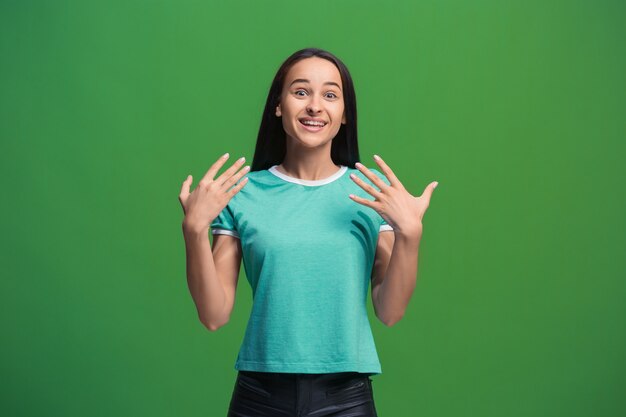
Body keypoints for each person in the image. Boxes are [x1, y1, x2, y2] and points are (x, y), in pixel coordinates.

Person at [178, 47, 438, 417]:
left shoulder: (371, 191)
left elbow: (390, 311)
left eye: (330, 95)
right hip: (260, 395)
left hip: (345, 396)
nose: (315, 106)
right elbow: (213, 314)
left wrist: (410, 235)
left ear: (345, 114)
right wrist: (194, 231)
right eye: (301, 92)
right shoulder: (242, 193)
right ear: (278, 106)